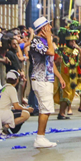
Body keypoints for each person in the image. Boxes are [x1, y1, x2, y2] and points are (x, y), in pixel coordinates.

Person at [25, 17, 65, 149]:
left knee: (46, 109)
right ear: (43, 28)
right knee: (45, 109)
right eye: (48, 26)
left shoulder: (43, 40)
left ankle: (41, 136)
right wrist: (49, 38)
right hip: (40, 79)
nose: (50, 28)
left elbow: (50, 61)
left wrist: (59, 77)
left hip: (47, 78)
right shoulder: (36, 41)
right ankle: (40, 137)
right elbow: (51, 52)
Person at [0, 70, 33, 136]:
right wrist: (27, 109)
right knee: (26, 114)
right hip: (0, 113)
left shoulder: (4, 87)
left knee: (16, 112)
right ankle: (6, 126)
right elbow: (17, 106)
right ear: (17, 80)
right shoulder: (11, 88)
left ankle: (5, 126)